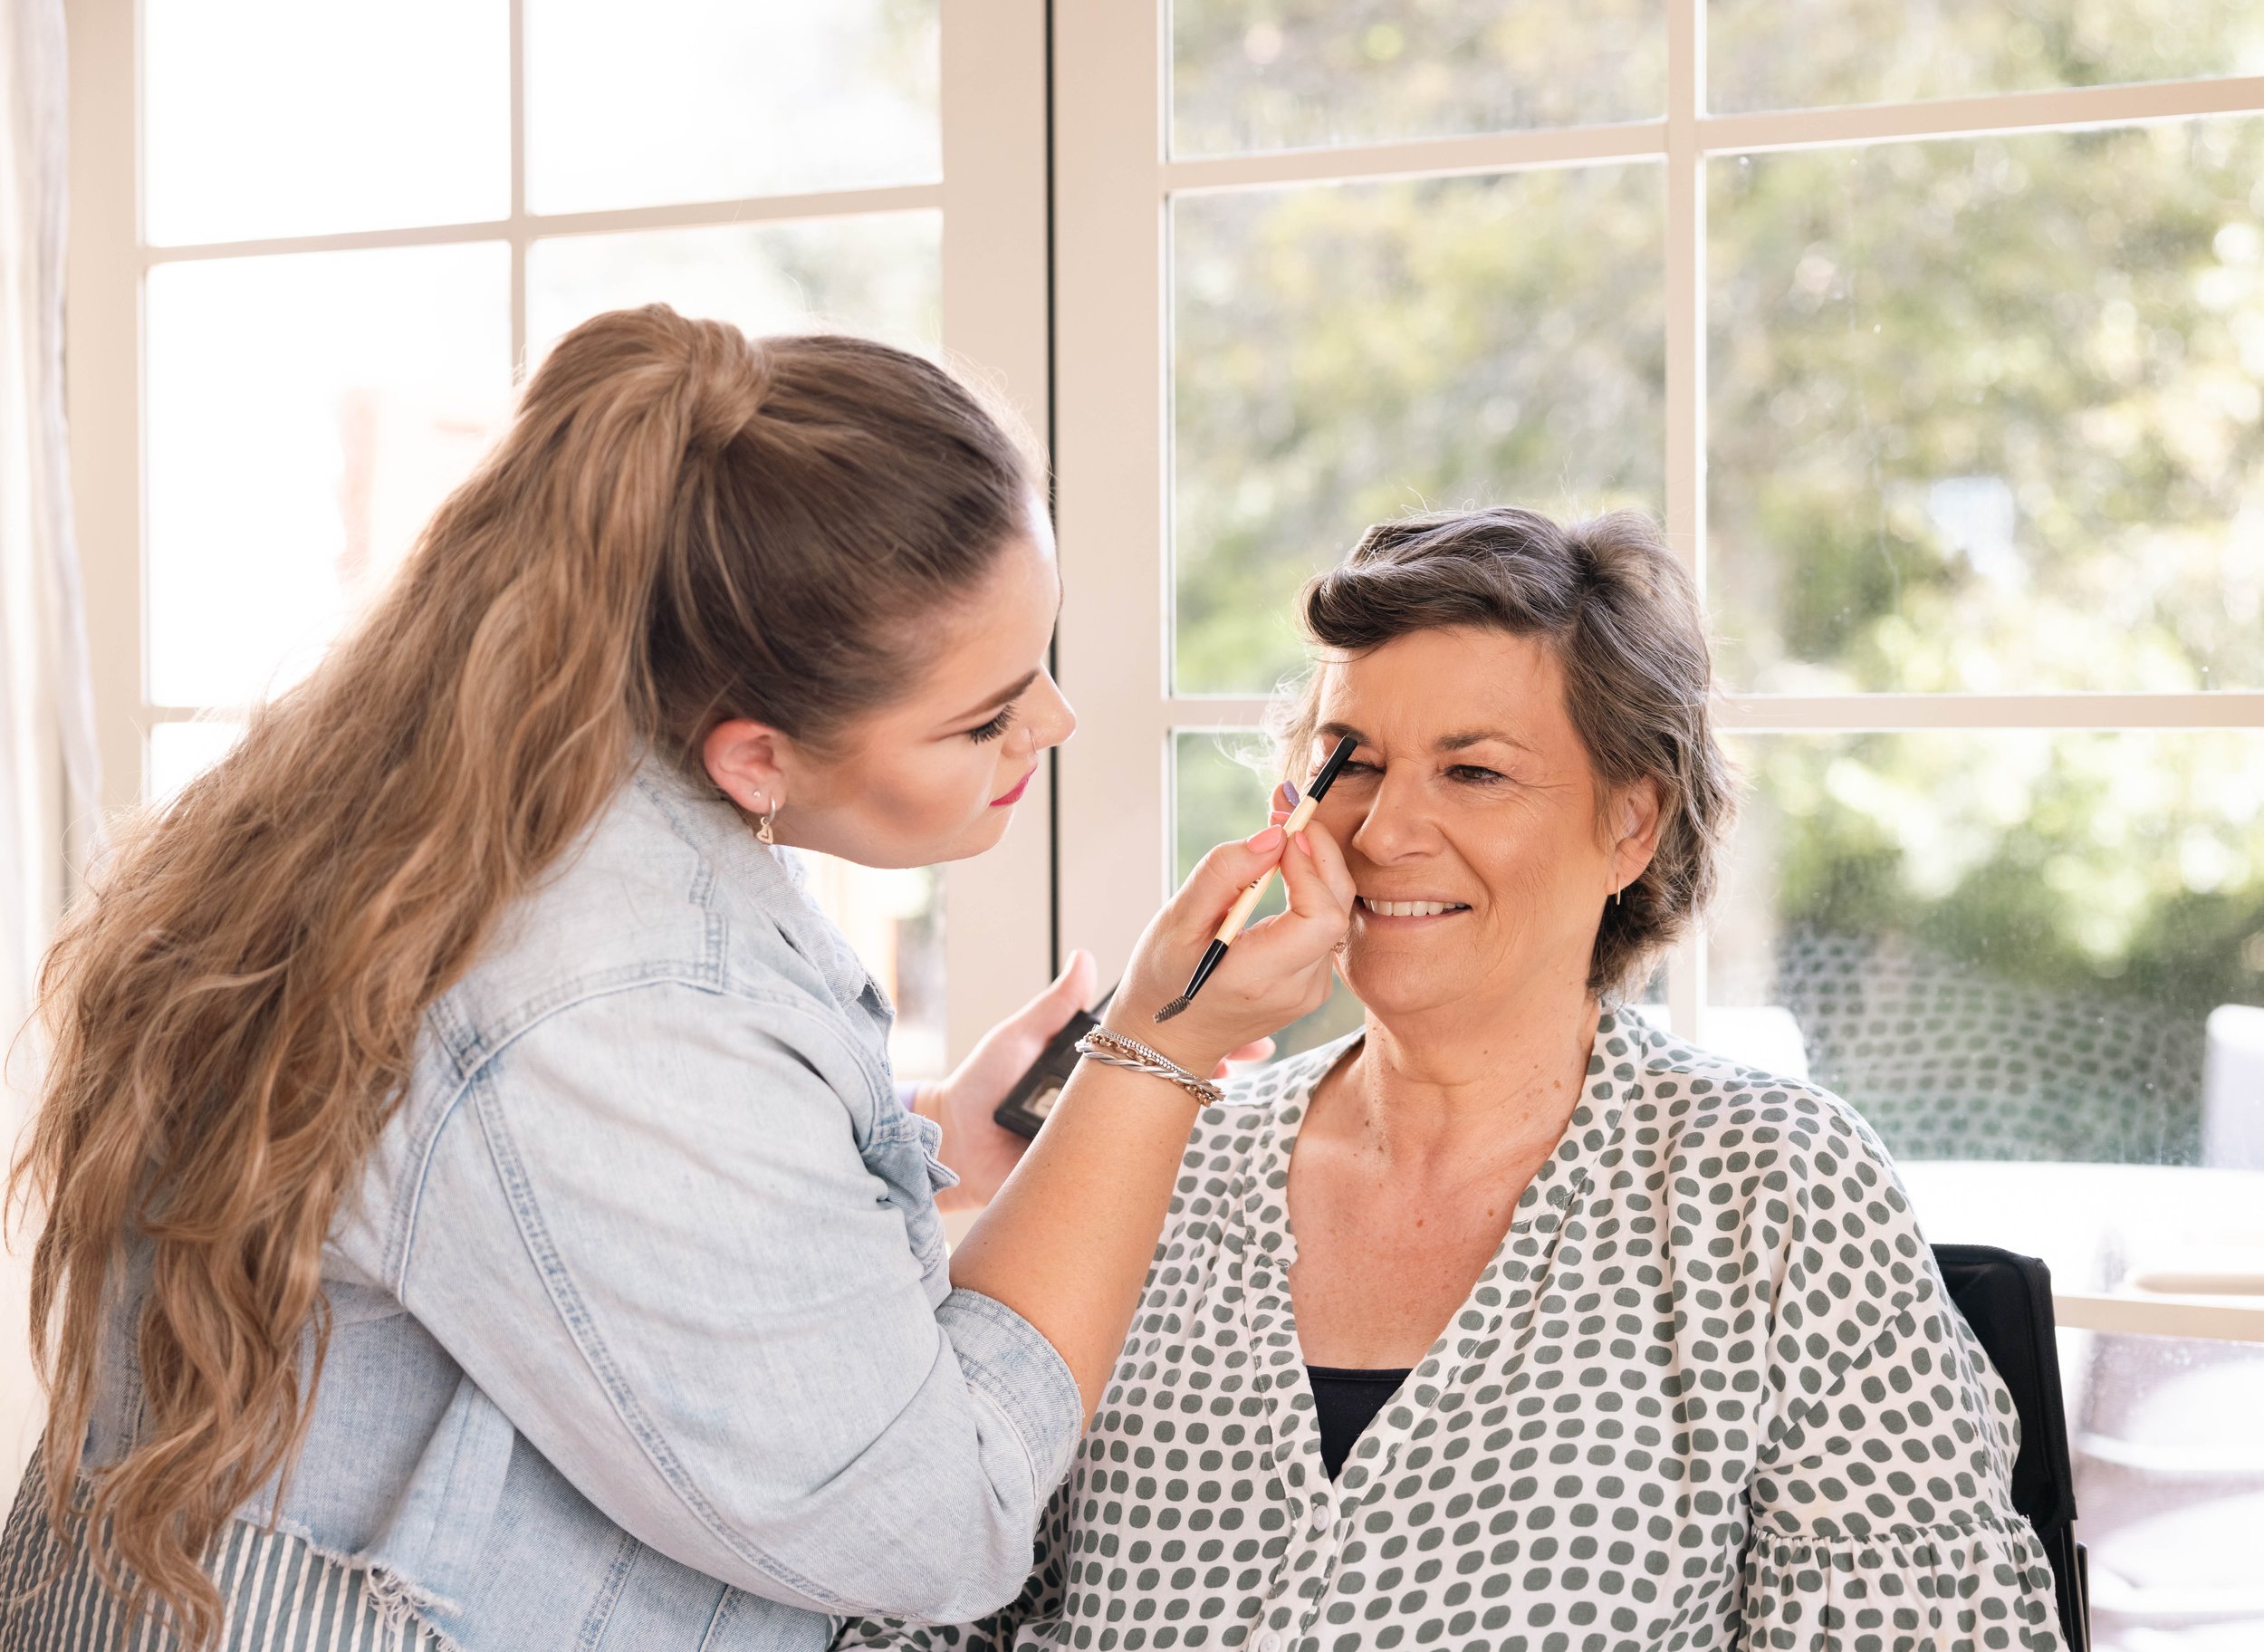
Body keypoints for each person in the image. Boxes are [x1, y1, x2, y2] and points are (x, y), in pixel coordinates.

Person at [0, 308, 1357, 1652]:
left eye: (1041, 662)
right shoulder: (617, 986)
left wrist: (936, 1131)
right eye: (984, 717)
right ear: (754, 756)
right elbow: (944, 1519)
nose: (1051, 725)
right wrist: (1155, 1064)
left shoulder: (482, 809)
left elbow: (530, 1207)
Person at [840, 506, 2065, 1652]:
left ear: (1632, 826)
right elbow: (913, 1600)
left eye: (1472, 772)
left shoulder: (1773, 1188)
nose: (1382, 833)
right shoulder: (1146, 1164)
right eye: (1351, 762)